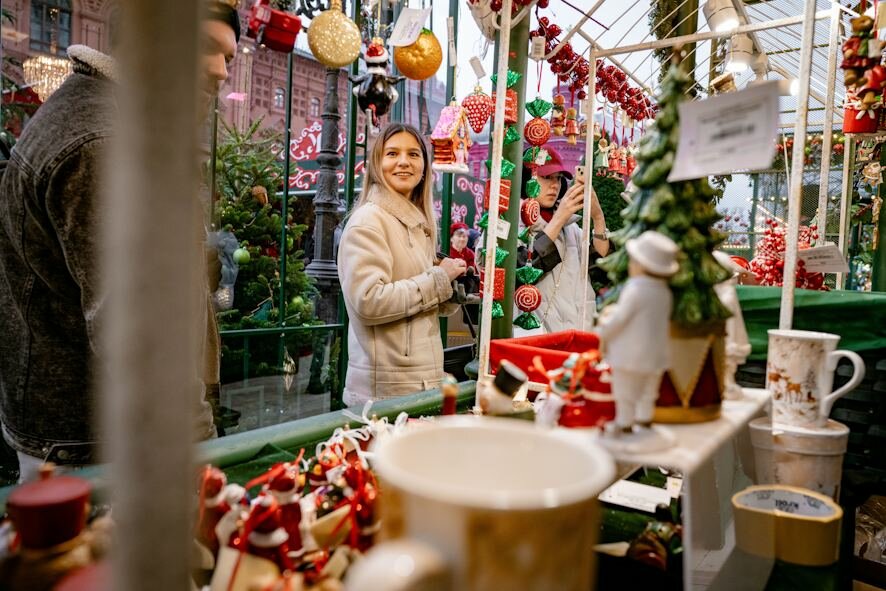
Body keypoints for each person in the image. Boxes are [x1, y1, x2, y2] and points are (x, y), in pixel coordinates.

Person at [0, 0, 240, 481]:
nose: (220, 71)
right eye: (204, 47)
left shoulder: (113, 122)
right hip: (94, 450)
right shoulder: (105, 142)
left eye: (229, 57)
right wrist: (195, 446)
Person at [338, 123, 464, 406]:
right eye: (392, 153)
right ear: (376, 164)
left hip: (415, 383)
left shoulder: (416, 224)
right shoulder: (369, 222)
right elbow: (369, 301)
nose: (404, 162)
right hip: (385, 392)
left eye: (413, 154)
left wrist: (449, 286)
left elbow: (412, 305)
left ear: (424, 169)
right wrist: (437, 280)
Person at [518, 146, 611, 334]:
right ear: (527, 178)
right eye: (547, 177)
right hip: (537, 338)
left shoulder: (573, 228)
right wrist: (559, 218)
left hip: (578, 336)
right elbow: (522, 272)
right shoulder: (510, 223)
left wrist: (598, 217)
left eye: (559, 178)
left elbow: (601, 270)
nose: (555, 185)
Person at [596, 231, 679, 437]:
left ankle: (624, 423)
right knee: (648, 392)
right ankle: (645, 420)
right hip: (656, 354)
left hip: (630, 354)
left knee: (625, 391)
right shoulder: (665, 292)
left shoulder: (635, 289)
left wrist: (604, 329)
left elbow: (621, 319)